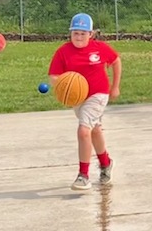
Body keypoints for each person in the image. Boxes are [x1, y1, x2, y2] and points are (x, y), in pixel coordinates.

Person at [48, 13, 122, 191]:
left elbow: (116, 61)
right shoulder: (63, 52)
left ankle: (83, 175)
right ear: (70, 34)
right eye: (75, 33)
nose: (79, 37)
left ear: (91, 34)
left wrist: (115, 86)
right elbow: (54, 76)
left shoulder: (100, 48)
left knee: (83, 131)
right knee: (94, 130)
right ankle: (106, 163)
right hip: (78, 97)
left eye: (83, 33)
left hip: (98, 94)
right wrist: (63, 87)